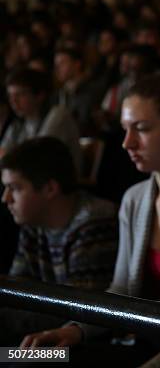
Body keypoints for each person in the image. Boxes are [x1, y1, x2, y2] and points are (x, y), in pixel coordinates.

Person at [21, 73, 160, 367]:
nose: (127, 142)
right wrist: (75, 330)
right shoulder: (135, 198)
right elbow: (122, 290)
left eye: (141, 129)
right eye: (125, 129)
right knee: (19, 357)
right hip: (130, 346)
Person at [0, 137, 117, 344]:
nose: (5, 198)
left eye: (15, 188)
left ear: (50, 189)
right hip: (44, 336)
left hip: (85, 345)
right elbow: (17, 292)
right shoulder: (33, 221)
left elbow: (78, 309)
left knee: (16, 361)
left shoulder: (94, 222)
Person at [1, 68, 81, 171]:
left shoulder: (58, 115)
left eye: (20, 94)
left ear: (40, 95)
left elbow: (38, 157)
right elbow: (3, 154)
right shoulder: (19, 123)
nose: (13, 101)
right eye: (10, 96)